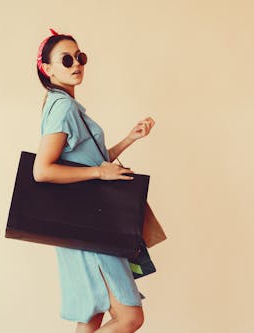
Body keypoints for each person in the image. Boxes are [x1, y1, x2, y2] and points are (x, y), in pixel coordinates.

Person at [32, 28, 155, 333]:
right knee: (130, 317)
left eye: (80, 57)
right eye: (66, 59)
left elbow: (86, 161)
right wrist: (99, 172)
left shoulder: (61, 105)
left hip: (83, 227)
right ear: (47, 69)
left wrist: (129, 139)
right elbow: (42, 170)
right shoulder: (63, 107)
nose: (76, 64)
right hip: (91, 231)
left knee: (92, 317)